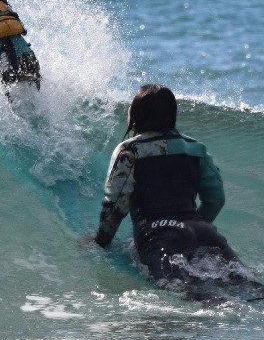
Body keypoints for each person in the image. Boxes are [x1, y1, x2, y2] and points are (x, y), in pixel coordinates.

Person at [82, 84, 242, 285]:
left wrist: (100, 243)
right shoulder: (195, 148)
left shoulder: (130, 151)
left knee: (195, 297)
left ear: (136, 115)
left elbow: (116, 206)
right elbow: (216, 199)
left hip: (159, 236)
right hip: (204, 232)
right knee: (252, 286)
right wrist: (190, 224)